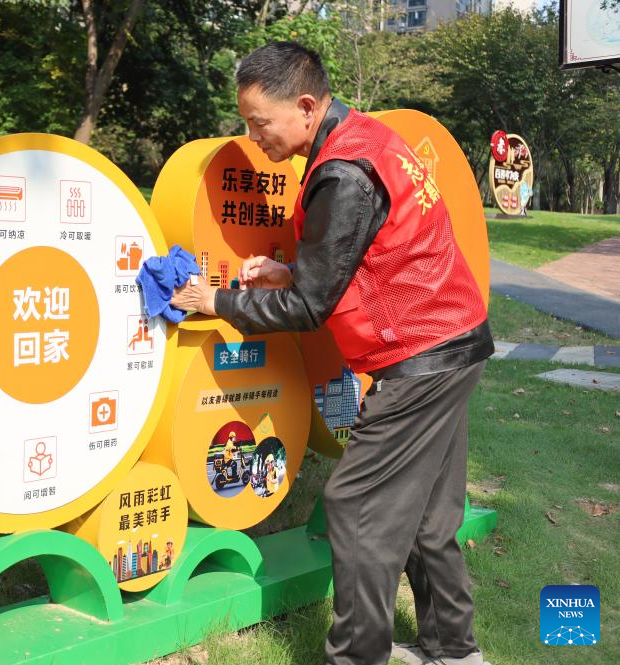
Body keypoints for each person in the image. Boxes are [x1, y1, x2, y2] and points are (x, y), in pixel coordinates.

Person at [171, 42, 494, 665]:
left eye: (260, 122)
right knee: (428, 516)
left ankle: (358, 655)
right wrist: (293, 271)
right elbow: (370, 255)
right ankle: (453, 650)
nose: (253, 137)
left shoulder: (343, 172)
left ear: (306, 106)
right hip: (456, 340)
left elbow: (308, 310)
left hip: (421, 357)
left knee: (358, 506)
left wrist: (218, 301)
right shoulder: (367, 139)